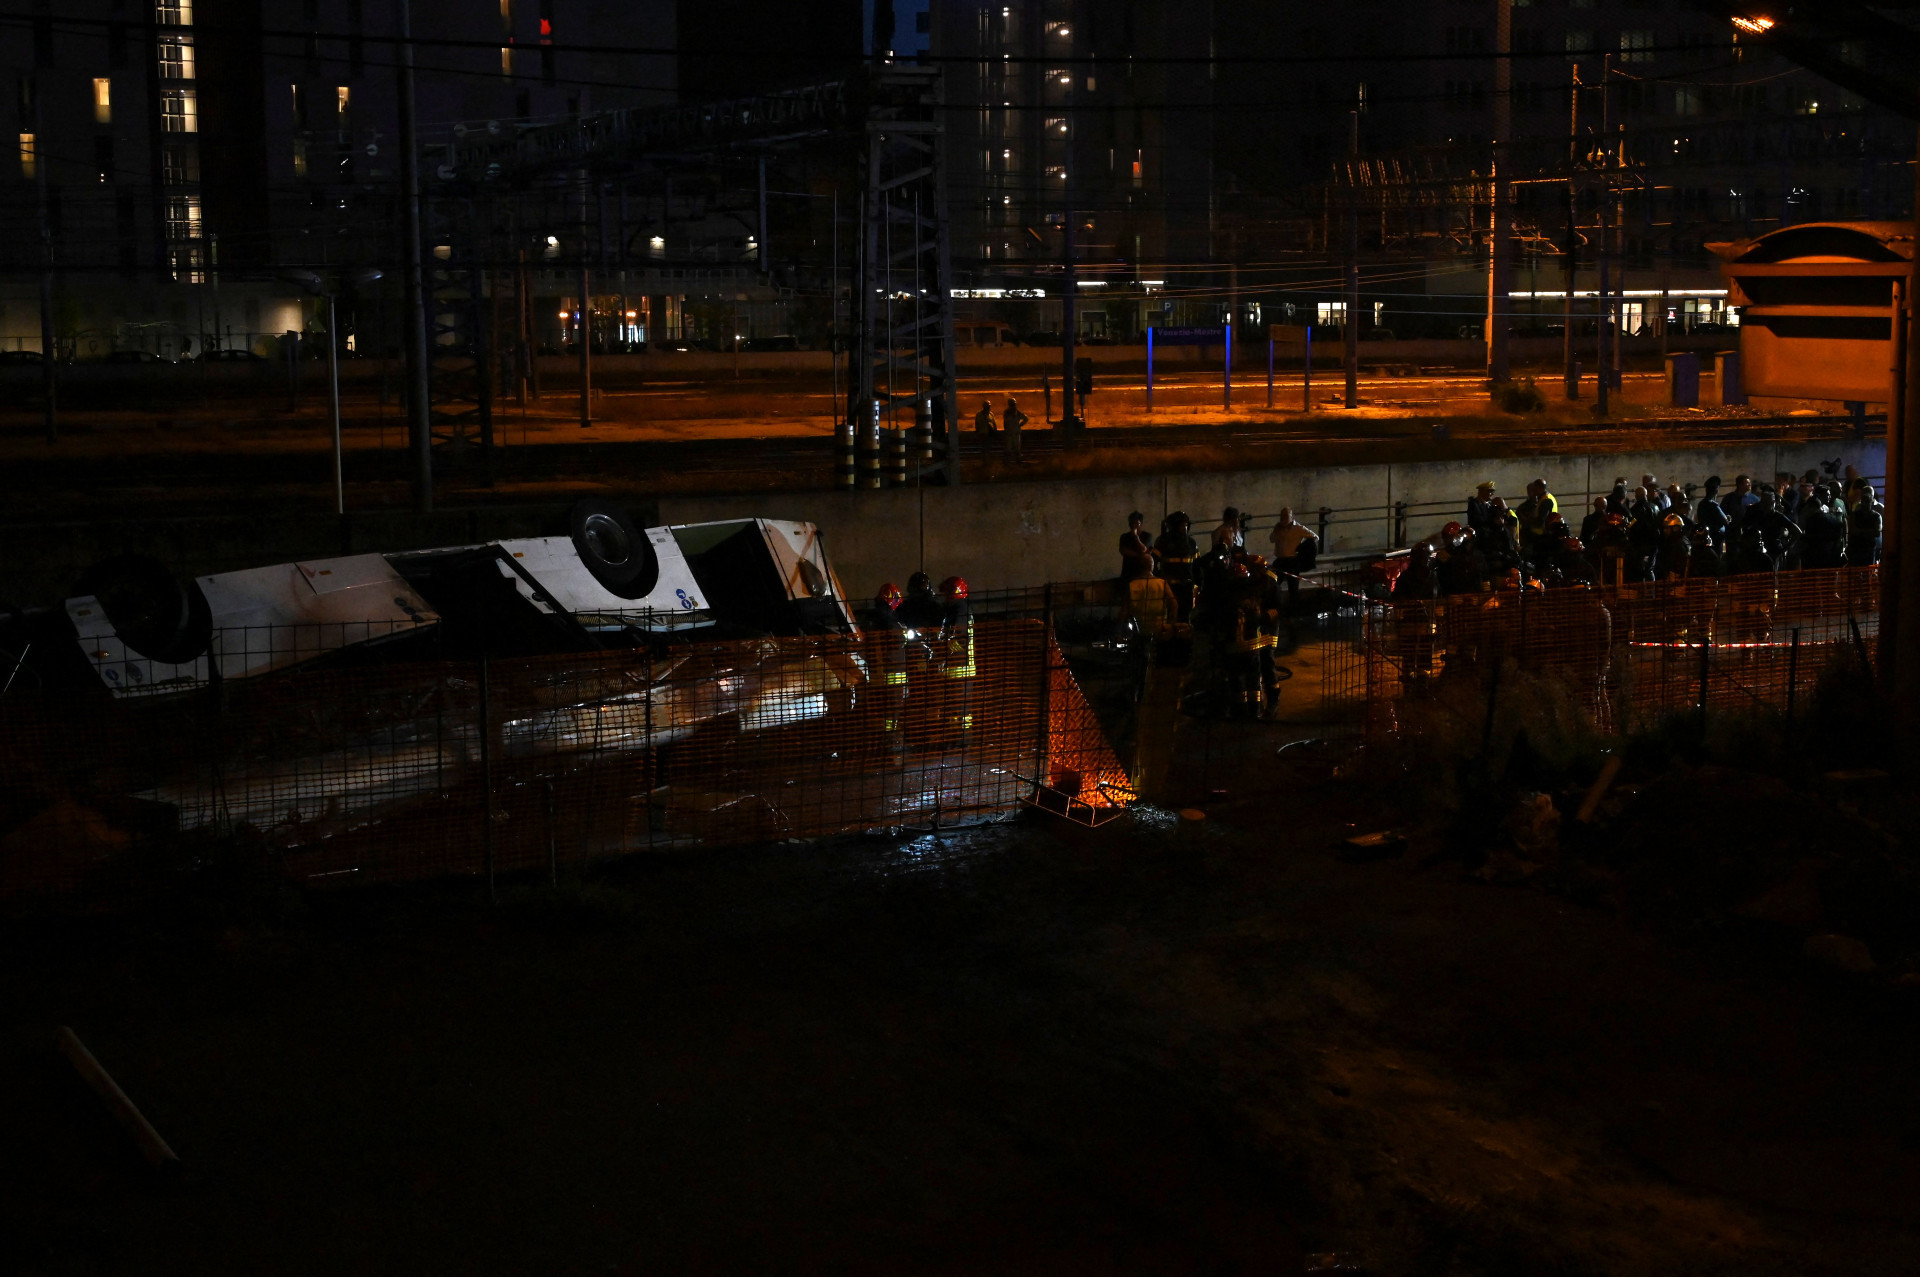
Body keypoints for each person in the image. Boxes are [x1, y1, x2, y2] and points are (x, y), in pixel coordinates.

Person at [1267, 506, 1319, 611]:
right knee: (1273, 584)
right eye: (1282, 516)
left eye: (1286, 516)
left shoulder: (1299, 528)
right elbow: (1272, 539)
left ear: (1292, 516)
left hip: (1292, 561)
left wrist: (1301, 548)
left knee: (1293, 587)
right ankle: (1273, 608)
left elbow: (1315, 537)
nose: (1284, 518)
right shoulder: (1278, 528)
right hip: (1280, 560)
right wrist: (1276, 530)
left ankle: (1294, 610)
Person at [1155, 511, 1199, 621]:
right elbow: (1153, 561)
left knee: (1185, 616)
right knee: (1170, 617)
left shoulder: (1191, 543)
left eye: (1186, 525)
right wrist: (1159, 581)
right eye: (1182, 525)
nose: (1184, 528)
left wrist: (1199, 584)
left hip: (1187, 587)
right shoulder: (1163, 541)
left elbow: (1197, 566)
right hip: (1170, 588)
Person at [1517, 478, 1559, 565]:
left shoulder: (1546, 500)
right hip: (1545, 535)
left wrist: (1527, 519)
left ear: (1539, 488)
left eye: (1534, 489)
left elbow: (1541, 521)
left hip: (1542, 536)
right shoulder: (1546, 498)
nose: (1533, 492)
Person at [1847, 484, 1882, 566]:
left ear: (1871, 502)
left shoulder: (1877, 514)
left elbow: (1877, 533)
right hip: (1858, 548)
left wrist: (1860, 532)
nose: (1865, 504)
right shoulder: (1856, 514)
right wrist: (1869, 532)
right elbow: (1853, 531)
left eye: (1867, 502)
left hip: (1869, 548)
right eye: (1864, 501)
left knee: (1867, 571)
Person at [1119, 511, 1159, 582]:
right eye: (1131, 522)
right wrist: (1141, 555)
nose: (1132, 525)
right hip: (1127, 573)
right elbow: (1123, 551)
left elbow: (1143, 549)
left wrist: (1135, 537)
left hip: (1142, 574)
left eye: (1135, 523)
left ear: (1140, 523)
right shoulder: (1124, 536)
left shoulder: (1147, 536)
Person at [1695, 477, 1729, 553]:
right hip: (1716, 538)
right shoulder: (1714, 505)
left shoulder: (1701, 504)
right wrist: (1728, 518)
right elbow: (1725, 521)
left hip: (1706, 537)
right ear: (1716, 490)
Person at [1001, 396, 1027, 463]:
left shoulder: (1016, 412)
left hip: (1014, 433)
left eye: (1013, 404)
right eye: (1012, 404)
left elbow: (1026, 418)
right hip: (1010, 433)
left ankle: (1017, 461)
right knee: (1009, 449)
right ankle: (1008, 462)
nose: (1013, 406)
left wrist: (1021, 424)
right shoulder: (1008, 413)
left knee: (1017, 449)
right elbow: (1006, 422)